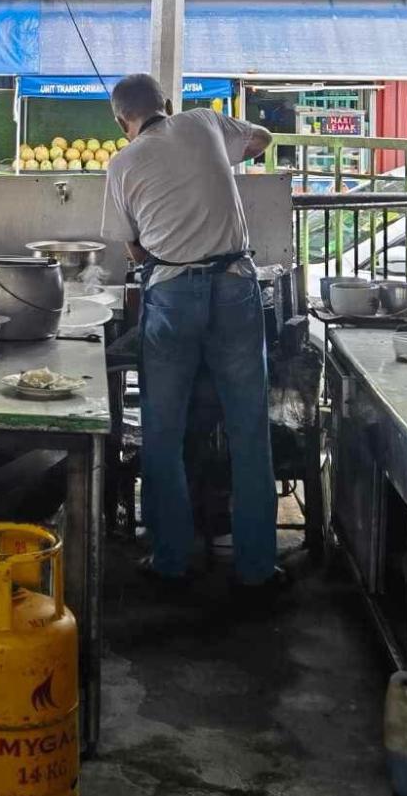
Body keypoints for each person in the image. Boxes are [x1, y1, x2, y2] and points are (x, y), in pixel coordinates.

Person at [102, 72, 279, 589]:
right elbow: (263, 139)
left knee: (163, 430)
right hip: (235, 286)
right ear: (169, 103)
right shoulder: (203, 122)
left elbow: (130, 248)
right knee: (249, 430)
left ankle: (170, 558)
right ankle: (257, 567)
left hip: (173, 295)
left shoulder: (121, 162)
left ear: (120, 122)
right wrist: (221, 157)